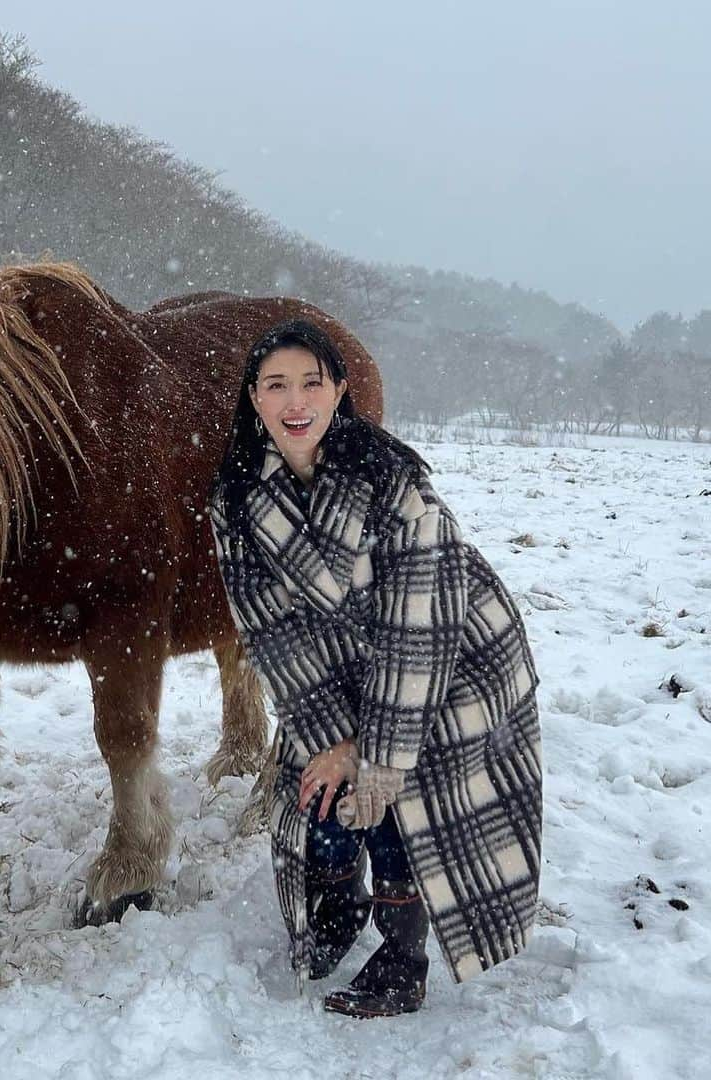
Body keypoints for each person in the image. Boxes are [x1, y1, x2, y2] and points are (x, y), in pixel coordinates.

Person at [208, 319, 542, 1018]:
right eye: (276, 385)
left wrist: (373, 752)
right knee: (317, 789)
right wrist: (331, 741)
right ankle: (339, 902)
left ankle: (402, 955)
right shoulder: (238, 496)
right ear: (254, 398)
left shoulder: (392, 483)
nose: (295, 401)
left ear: (338, 391)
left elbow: (415, 628)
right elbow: (270, 628)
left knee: (394, 795)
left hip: (452, 656)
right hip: (338, 671)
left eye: (310, 383)